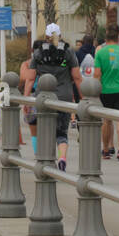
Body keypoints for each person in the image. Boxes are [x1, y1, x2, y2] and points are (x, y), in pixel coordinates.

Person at [22, 24, 81, 172]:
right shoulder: (68, 52)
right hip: (64, 97)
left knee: (44, 129)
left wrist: (26, 100)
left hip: (43, 98)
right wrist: (85, 97)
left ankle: (47, 160)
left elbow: (30, 79)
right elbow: (77, 77)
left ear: (46, 37)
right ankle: (62, 157)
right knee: (61, 132)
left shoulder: (38, 53)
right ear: (60, 35)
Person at [94, 27, 119, 161]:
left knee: (107, 120)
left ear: (106, 36)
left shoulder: (100, 52)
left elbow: (97, 74)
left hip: (105, 91)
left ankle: (106, 150)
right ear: (118, 37)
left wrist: (96, 90)